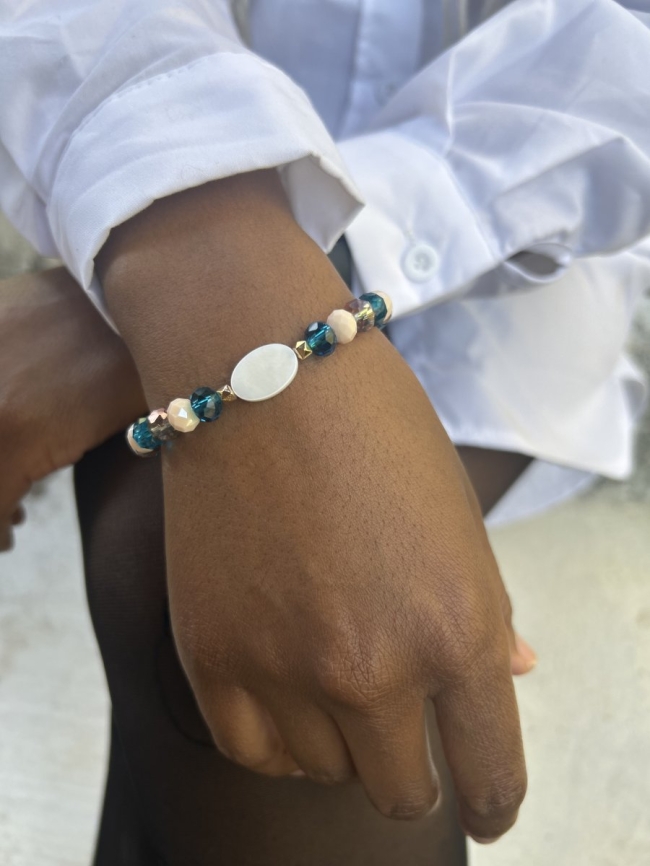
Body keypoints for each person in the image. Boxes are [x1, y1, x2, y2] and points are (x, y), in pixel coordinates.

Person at [1, 1, 649, 864]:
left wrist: (203, 252)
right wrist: (192, 236)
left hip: (536, 225)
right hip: (164, 140)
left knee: (281, 650)